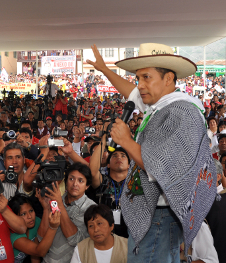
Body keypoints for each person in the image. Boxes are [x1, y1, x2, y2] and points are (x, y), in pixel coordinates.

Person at [87, 43, 217, 262]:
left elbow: (163, 165)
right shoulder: (160, 105)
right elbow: (130, 92)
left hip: (162, 215)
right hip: (156, 213)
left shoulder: (180, 112)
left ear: (168, 79)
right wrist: (105, 70)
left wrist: (127, 141)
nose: (140, 85)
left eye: (146, 77)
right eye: (138, 78)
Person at [37, 162, 96, 263]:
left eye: (80, 181)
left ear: (87, 186)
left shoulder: (91, 208)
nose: (75, 184)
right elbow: (40, 238)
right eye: (71, 179)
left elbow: (75, 240)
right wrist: (46, 209)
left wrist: (59, 203)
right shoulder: (54, 200)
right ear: (66, 181)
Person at [8, 193, 60, 263]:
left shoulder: (35, 222)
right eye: (23, 214)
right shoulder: (15, 236)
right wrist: (53, 227)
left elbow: (36, 251)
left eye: (31, 211)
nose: (29, 216)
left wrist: (46, 208)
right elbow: (39, 252)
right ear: (15, 218)